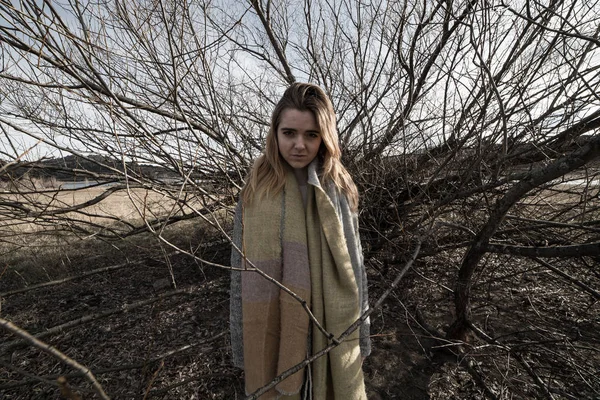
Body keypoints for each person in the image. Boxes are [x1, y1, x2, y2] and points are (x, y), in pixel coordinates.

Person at [230, 82, 370, 400]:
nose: (299, 145)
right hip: (275, 323)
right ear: (275, 133)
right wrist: (241, 347)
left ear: (324, 137)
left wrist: (361, 336)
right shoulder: (255, 190)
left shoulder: (340, 188)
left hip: (330, 323)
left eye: (311, 135)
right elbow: (240, 272)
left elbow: (356, 269)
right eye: (289, 133)